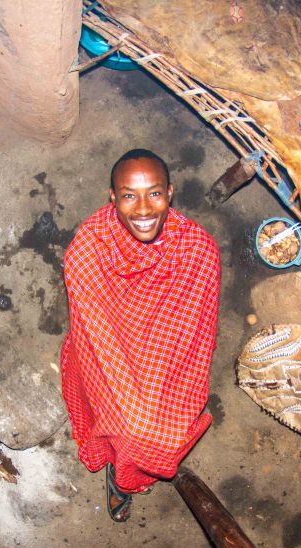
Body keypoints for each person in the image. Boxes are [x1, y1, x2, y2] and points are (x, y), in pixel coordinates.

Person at [60, 149, 220, 522]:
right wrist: (133, 405)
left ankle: (125, 471)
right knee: (131, 427)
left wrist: (158, 386)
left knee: (166, 429)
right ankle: (121, 476)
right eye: (129, 195)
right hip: (109, 352)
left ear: (171, 193)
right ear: (112, 197)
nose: (144, 209)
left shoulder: (199, 251)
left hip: (162, 354)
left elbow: (196, 340)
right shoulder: (87, 248)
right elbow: (95, 335)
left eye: (155, 193)